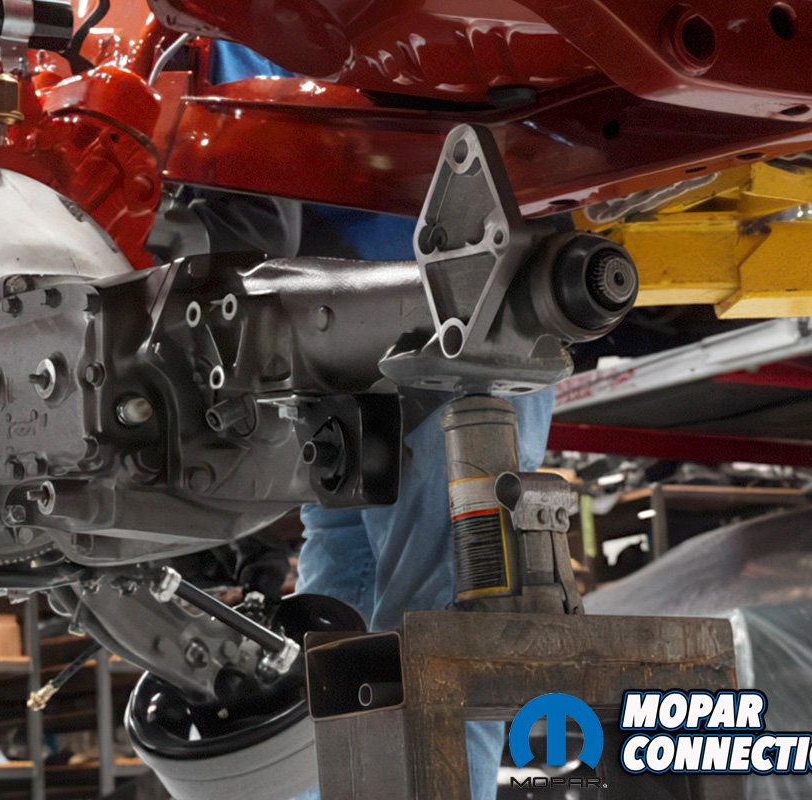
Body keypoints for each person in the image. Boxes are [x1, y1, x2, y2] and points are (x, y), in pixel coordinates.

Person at [203, 40, 558, 799]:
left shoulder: (223, 38)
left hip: (419, 325)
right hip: (376, 334)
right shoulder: (221, 38)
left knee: (414, 627)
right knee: (386, 630)